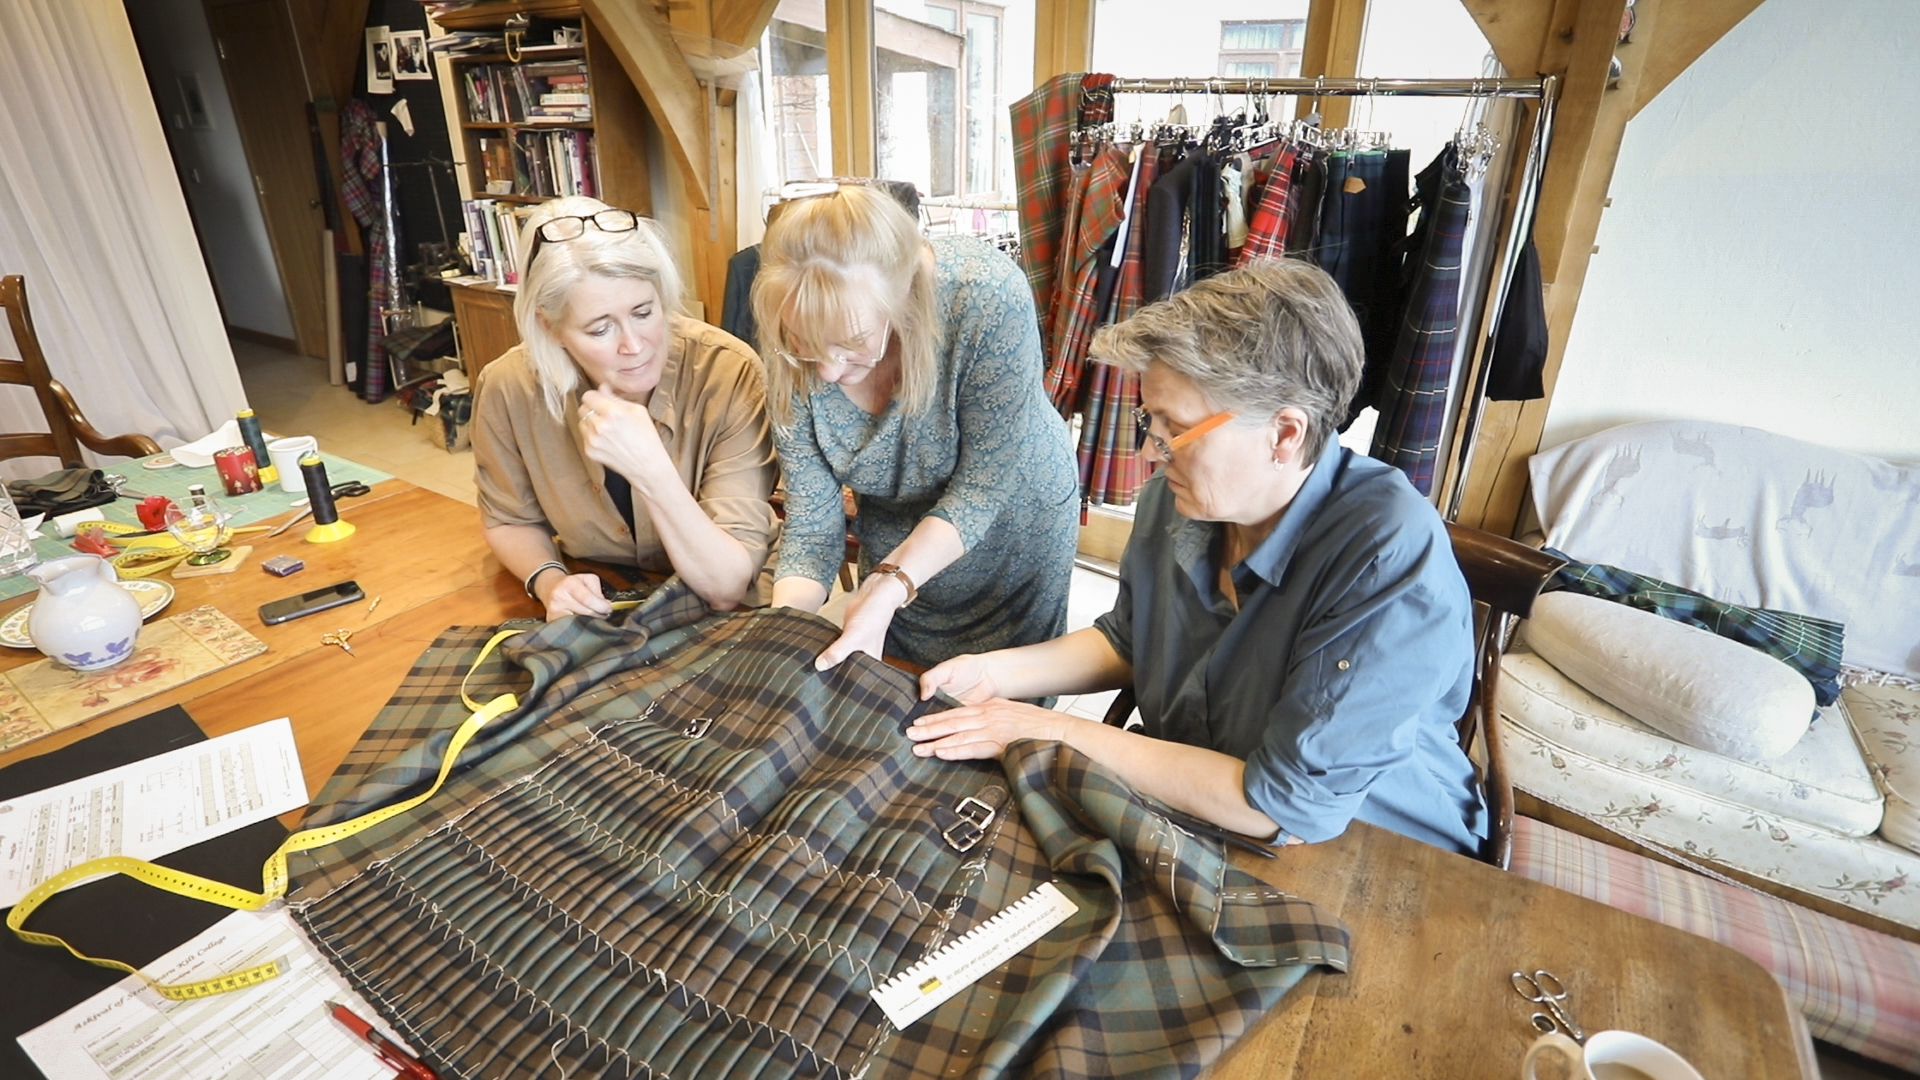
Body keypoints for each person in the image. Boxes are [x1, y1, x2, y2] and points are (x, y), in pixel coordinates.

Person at [910, 258, 1486, 855]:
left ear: (1284, 435)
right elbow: (1131, 641)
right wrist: (992, 673)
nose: (1147, 454)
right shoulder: (1179, 501)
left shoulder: (1385, 556)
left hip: (1374, 852)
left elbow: (1277, 804)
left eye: (1175, 430)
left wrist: (1049, 728)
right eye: (1149, 422)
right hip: (1195, 805)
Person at [750, 184, 1079, 671]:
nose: (827, 372)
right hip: (894, 544)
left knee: (992, 711)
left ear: (903, 296)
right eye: (804, 344)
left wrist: (890, 584)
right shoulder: (790, 333)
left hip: (1013, 527)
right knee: (895, 690)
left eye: (851, 343)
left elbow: (983, 489)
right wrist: (780, 635)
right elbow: (814, 527)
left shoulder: (985, 295)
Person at [473, 196, 779, 618]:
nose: (633, 346)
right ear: (551, 327)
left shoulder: (728, 371)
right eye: (600, 329)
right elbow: (510, 518)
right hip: (604, 593)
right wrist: (551, 582)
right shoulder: (509, 387)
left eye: (644, 312)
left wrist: (650, 469)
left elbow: (725, 587)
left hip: (725, 609)